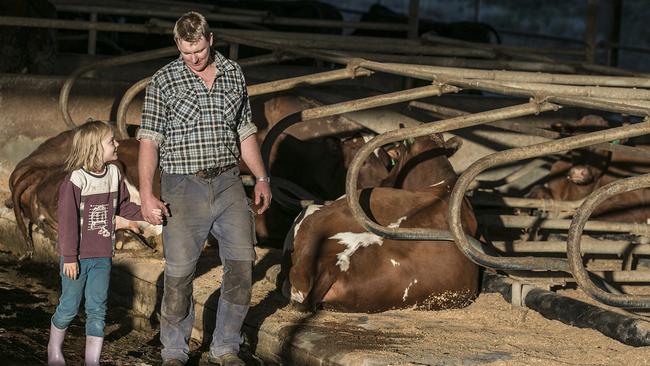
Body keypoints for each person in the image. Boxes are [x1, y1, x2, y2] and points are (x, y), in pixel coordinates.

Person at [137, 11, 271, 366]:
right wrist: (148, 194)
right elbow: (149, 141)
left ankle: (226, 346)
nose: (194, 59)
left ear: (210, 40)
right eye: (186, 52)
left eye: (198, 50)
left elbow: (245, 131)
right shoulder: (163, 81)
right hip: (181, 184)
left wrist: (260, 177)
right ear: (177, 46)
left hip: (228, 181)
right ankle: (175, 352)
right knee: (179, 274)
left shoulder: (233, 74)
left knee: (242, 265)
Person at [47, 120, 154, 366]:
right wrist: (70, 257)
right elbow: (68, 223)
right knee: (70, 307)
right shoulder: (76, 180)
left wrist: (147, 211)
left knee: (97, 308)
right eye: (111, 141)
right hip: (76, 257)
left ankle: (92, 361)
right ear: (95, 148)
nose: (117, 144)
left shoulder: (115, 173)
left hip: (102, 256)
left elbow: (124, 206)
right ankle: (54, 350)